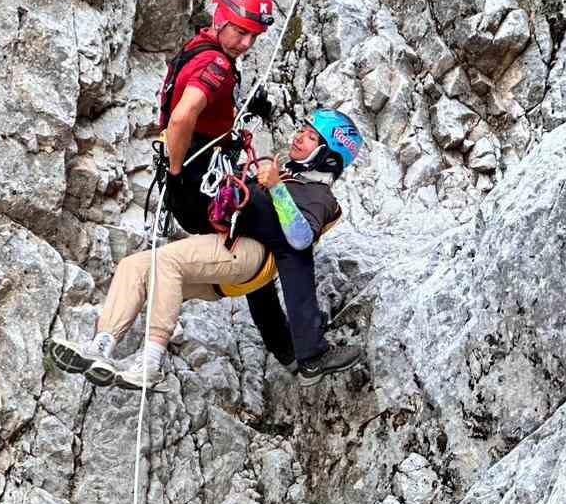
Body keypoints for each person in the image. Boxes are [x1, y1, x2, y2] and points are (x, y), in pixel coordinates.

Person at [47, 110, 366, 388]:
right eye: (302, 130)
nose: (299, 138)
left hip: (249, 253)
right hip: (229, 258)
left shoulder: (320, 197)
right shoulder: (285, 176)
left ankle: (150, 361)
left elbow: (300, 238)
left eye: (311, 137)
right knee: (135, 266)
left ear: (329, 155)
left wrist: (276, 188)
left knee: (166, 264)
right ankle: (102, 345)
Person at [156, 0, 296, 366]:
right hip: (197, 185)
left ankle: (285, 345)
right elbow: (183, 118)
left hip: (194, 182)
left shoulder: (202, 49)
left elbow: (199, 114)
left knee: (256, 240)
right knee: (275, 230)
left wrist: (244, 110)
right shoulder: (216, 63)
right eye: (241, 32)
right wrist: (178, 169)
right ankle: (296, 348)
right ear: (222, 17)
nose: (247, 44)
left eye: (254, 36)